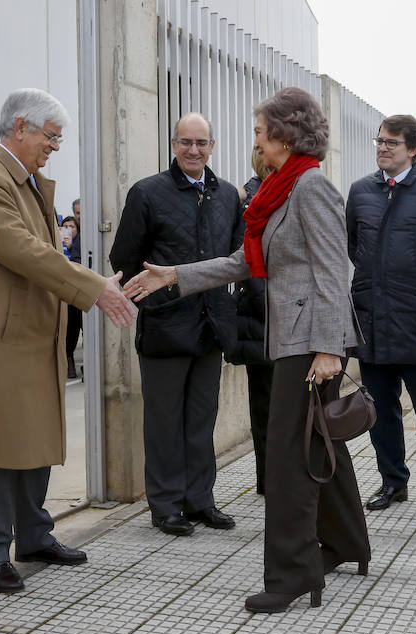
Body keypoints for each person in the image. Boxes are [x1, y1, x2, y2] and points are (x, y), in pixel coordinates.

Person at [123, 87, 371, 614]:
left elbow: (335, 271)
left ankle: (292, 575)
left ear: (285, 133)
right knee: (315, 445)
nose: (254, 139)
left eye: (259, 130)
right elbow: (243, 260)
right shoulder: (281, 189)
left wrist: (329, 348)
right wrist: (175, 274)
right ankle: (348, 543)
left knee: (286, 460)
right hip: (297, 339)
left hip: (311, 344)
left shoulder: (310, 187)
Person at [0, 88, 137, 595]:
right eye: (51, 136)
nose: (55, 147)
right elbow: (23, 251)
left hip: (24, 335)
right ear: (19, 127)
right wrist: (94, 288)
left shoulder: (24, 181)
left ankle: (34, 535)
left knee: (31, 441)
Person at [110, 112, 243, 538]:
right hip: (167, 326)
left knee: (202, 419)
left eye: (202, 143)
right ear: (173, 145)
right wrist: (161, 294)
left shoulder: (227, 196)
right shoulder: (147, 193)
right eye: (185, 142)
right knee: (165, 421)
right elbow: (125, 259)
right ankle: (166, 505)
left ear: (212, 147)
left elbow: (233, 258)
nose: (193, 150)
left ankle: (200, 500)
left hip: (211, 327)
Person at [346, 115, 416, 515]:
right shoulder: (361, 191)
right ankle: (393, 482)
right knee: (380, 411)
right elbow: (354, 246)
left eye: (392, 142)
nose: (383, 148)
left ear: (413, 149)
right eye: (379, 141)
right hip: (373, 321)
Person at [224, 148, 272, 495]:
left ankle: (276, 476)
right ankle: (269, 480)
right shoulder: (248, 200)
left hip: (279, 316)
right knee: (266, 403)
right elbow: (245, 262)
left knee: (277, 404)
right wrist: (270, 304)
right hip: (262, 316)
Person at [60, 215, 82, 378]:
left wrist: (72, 247)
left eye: (72, 226)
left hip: (81, 292)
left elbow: (79, 264)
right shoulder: (58, 243)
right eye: (65, 226)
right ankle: (69, 362)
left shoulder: (81, 243)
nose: (69, 230)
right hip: (67, 295)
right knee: (71, 330)